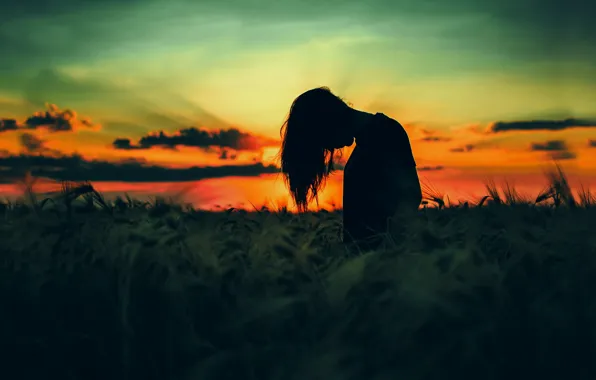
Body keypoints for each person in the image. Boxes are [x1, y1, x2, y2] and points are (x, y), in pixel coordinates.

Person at [279, 86, 422, 250]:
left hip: (379, 265)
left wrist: (389, 249)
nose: (328, 148)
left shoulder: (386, 132)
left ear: (327, 121)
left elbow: (410, 195)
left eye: (321, 138)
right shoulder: (367, 141)